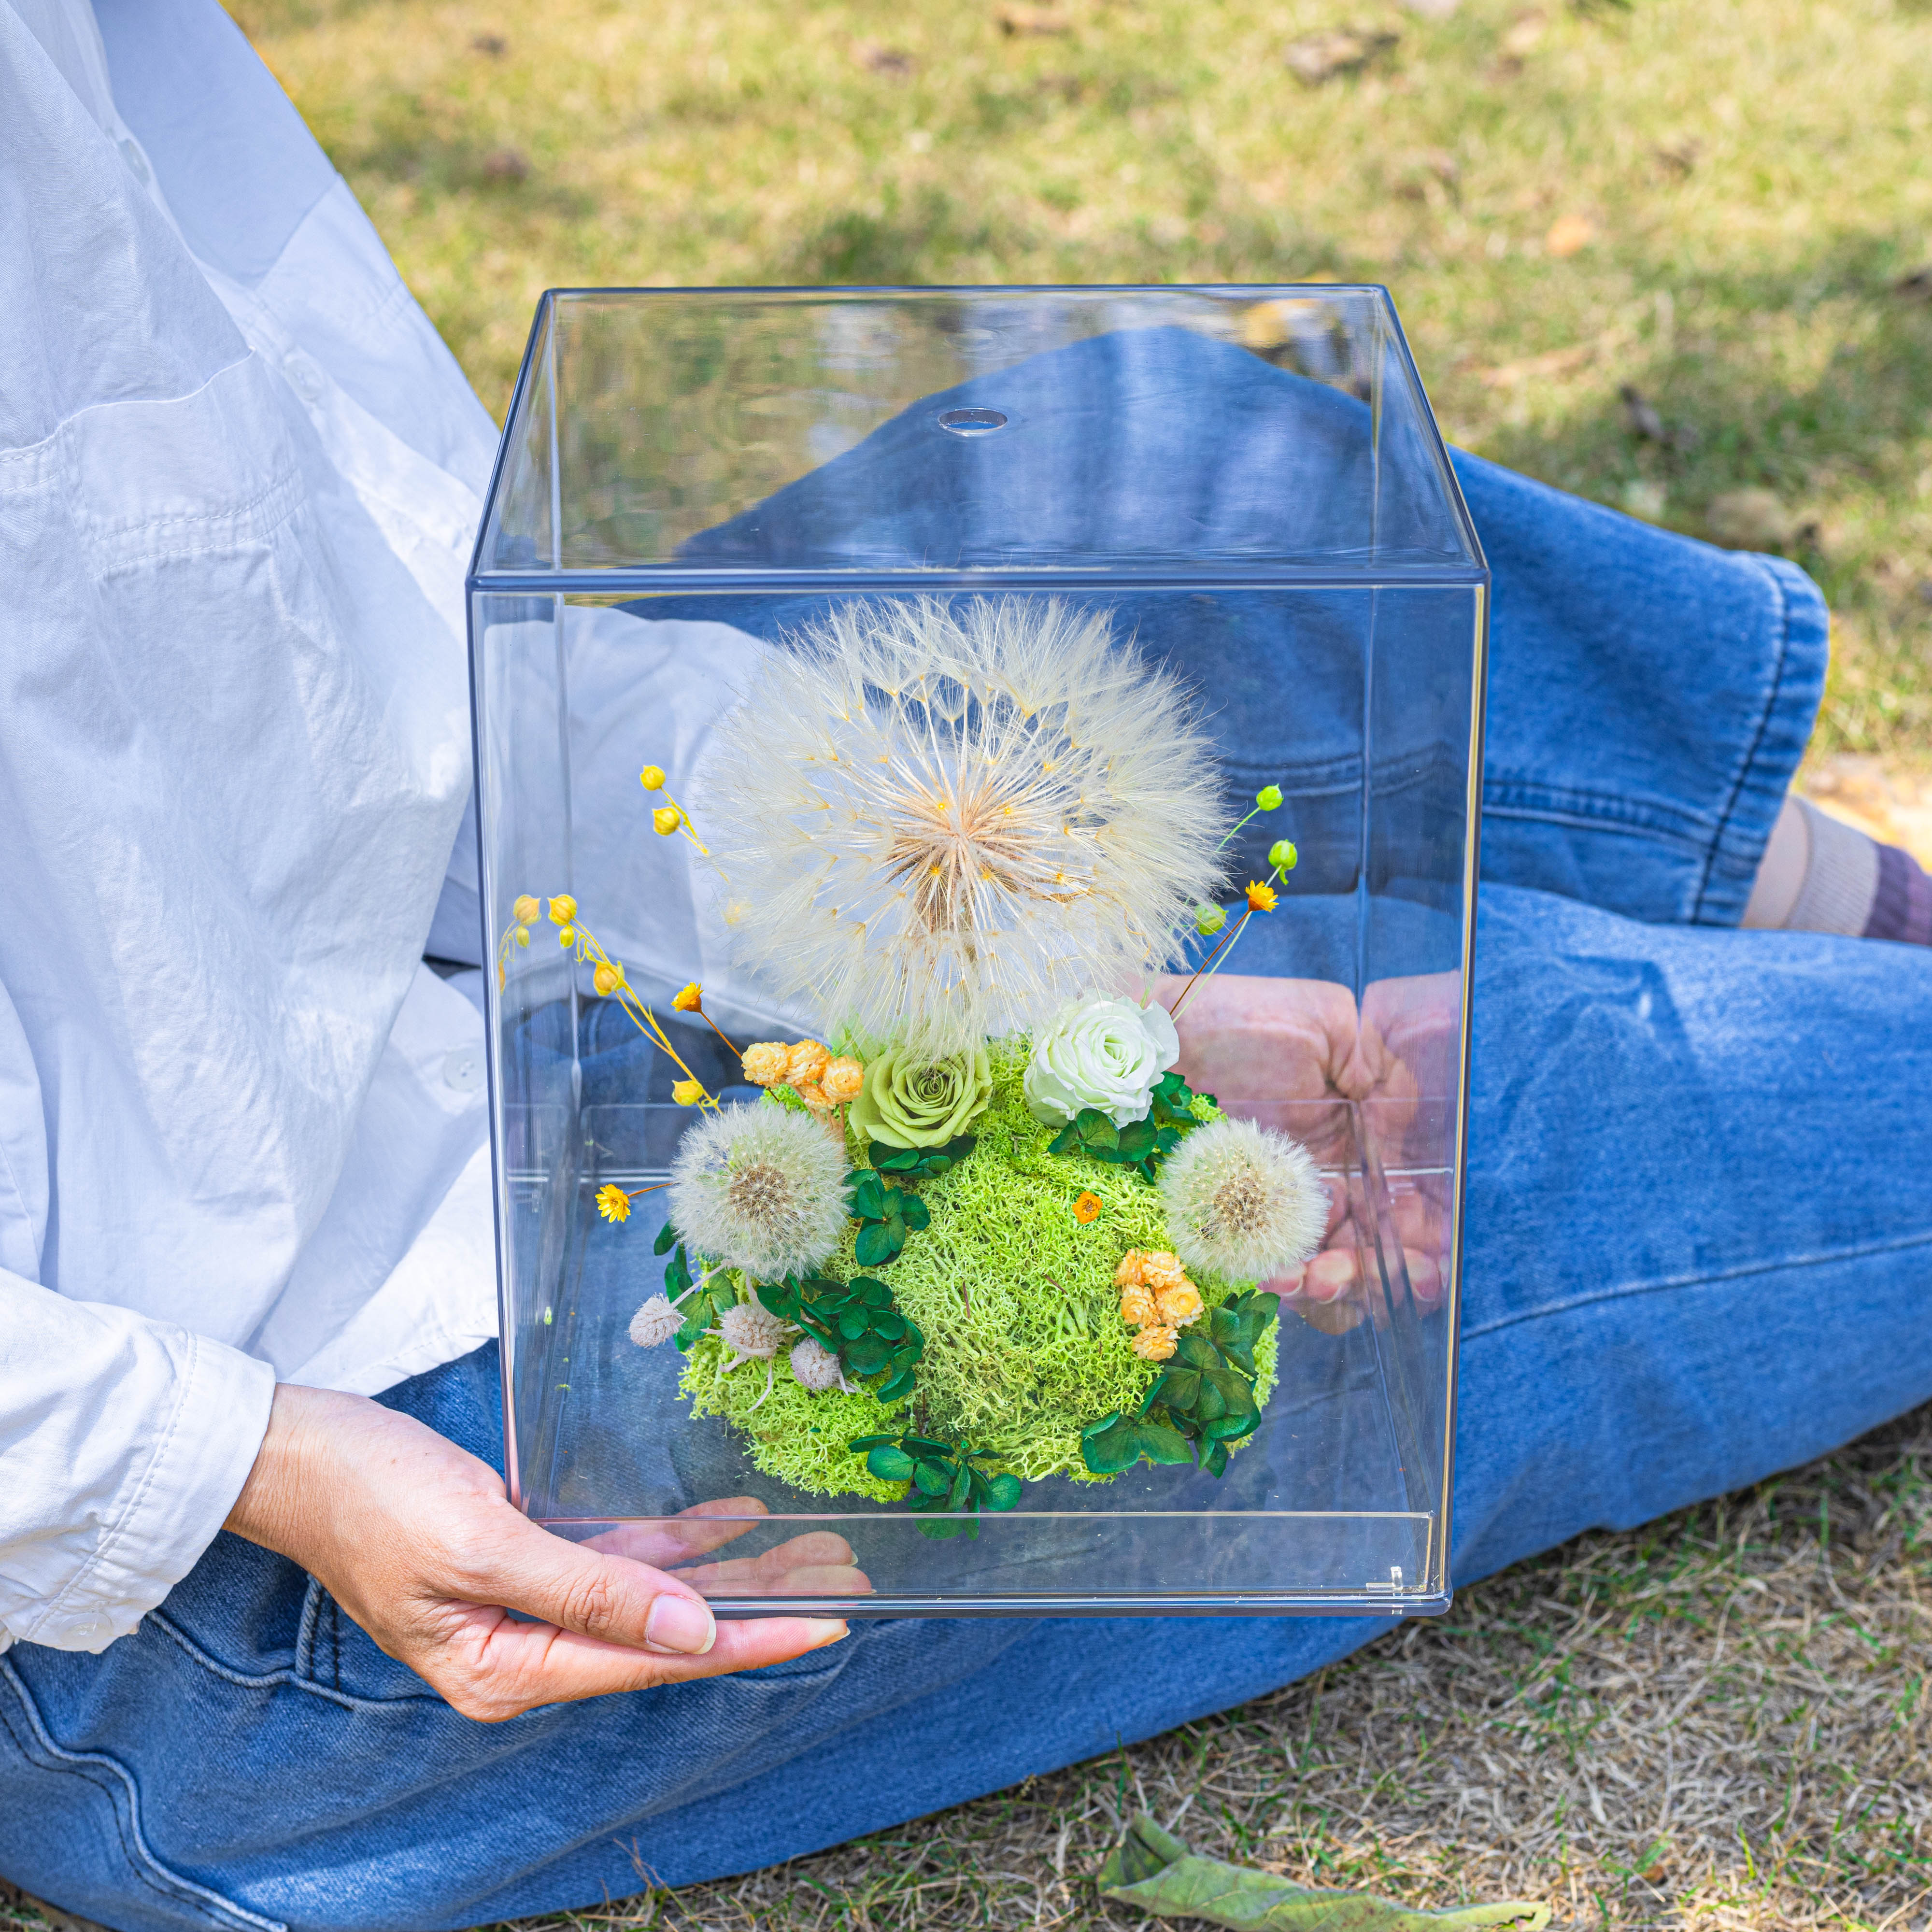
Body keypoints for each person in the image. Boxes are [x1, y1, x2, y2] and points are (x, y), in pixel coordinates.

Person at [3, 3, 1931, 1929]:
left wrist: (1037, 970)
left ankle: (1859, 910)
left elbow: (362, 631)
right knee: (1505, 1123)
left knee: (1157, 467)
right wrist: (251, 1455)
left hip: (377, 1005)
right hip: (195, 1557)